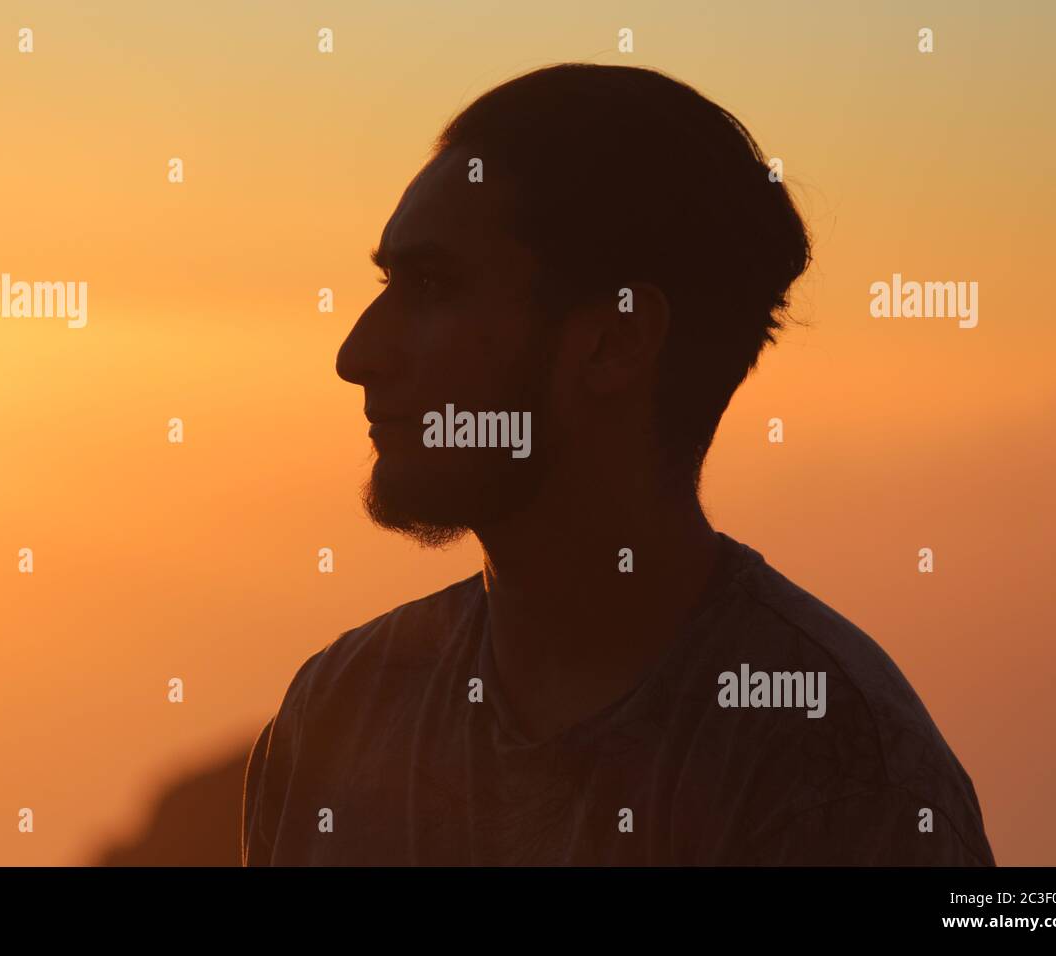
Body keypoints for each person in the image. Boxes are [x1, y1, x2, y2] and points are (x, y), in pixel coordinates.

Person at [242, 63, 995, 866]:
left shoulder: (835, 776)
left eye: (430, 286)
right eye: (388, 282)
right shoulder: (338, 715)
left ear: (613, 343)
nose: (356, 355)